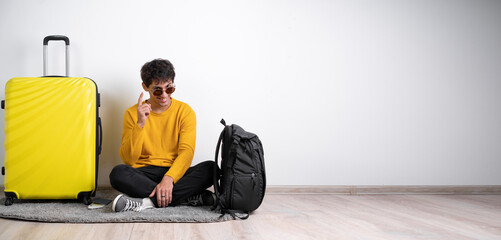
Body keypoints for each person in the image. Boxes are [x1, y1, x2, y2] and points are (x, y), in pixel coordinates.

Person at [109, 58, 216, 212]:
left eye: (169, 88)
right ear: (145, 87)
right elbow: (128, 159)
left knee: (211, 169)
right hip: (144, 172)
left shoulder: (185, 111)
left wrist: (169, 178)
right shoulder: (132, 113)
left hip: (175, 172)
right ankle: (184, 198)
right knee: (118, 173)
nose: (164, 95)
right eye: (157, 90)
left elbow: (186, 152)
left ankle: (146, 203)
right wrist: (140, 124)